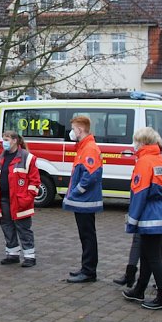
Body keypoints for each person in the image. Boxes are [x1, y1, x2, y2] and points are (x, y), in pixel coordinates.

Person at [122, 127, 162, 310]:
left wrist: (132, 220)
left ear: (142, 142)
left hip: (149, 215)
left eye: (136, 141)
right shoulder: (161, 159)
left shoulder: (144, 162)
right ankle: (140, 289)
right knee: (147, 255)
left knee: (153, 257)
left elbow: (139, 193)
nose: (134, 145)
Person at [62, 115, 103, 283]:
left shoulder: (89, 148)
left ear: (80, 130)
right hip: (84, 200)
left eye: (73, 129)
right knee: (86, 236)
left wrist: (76, 192)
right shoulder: (84, 147)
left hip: (85, 200)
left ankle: (89, 271)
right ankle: (86, 268)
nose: (72, 132)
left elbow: (90, 176)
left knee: (87, 236)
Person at [0, 131, 40, 267]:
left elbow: (35, 181)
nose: (3, 142)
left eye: (6, 139)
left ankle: (30, 257)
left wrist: (28, 198)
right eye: (3, 139)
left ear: (14, 140)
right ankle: (12, 255)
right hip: (3, 200)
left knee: (23, 229)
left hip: (20, 201)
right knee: (7, 227)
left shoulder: (27, 158)